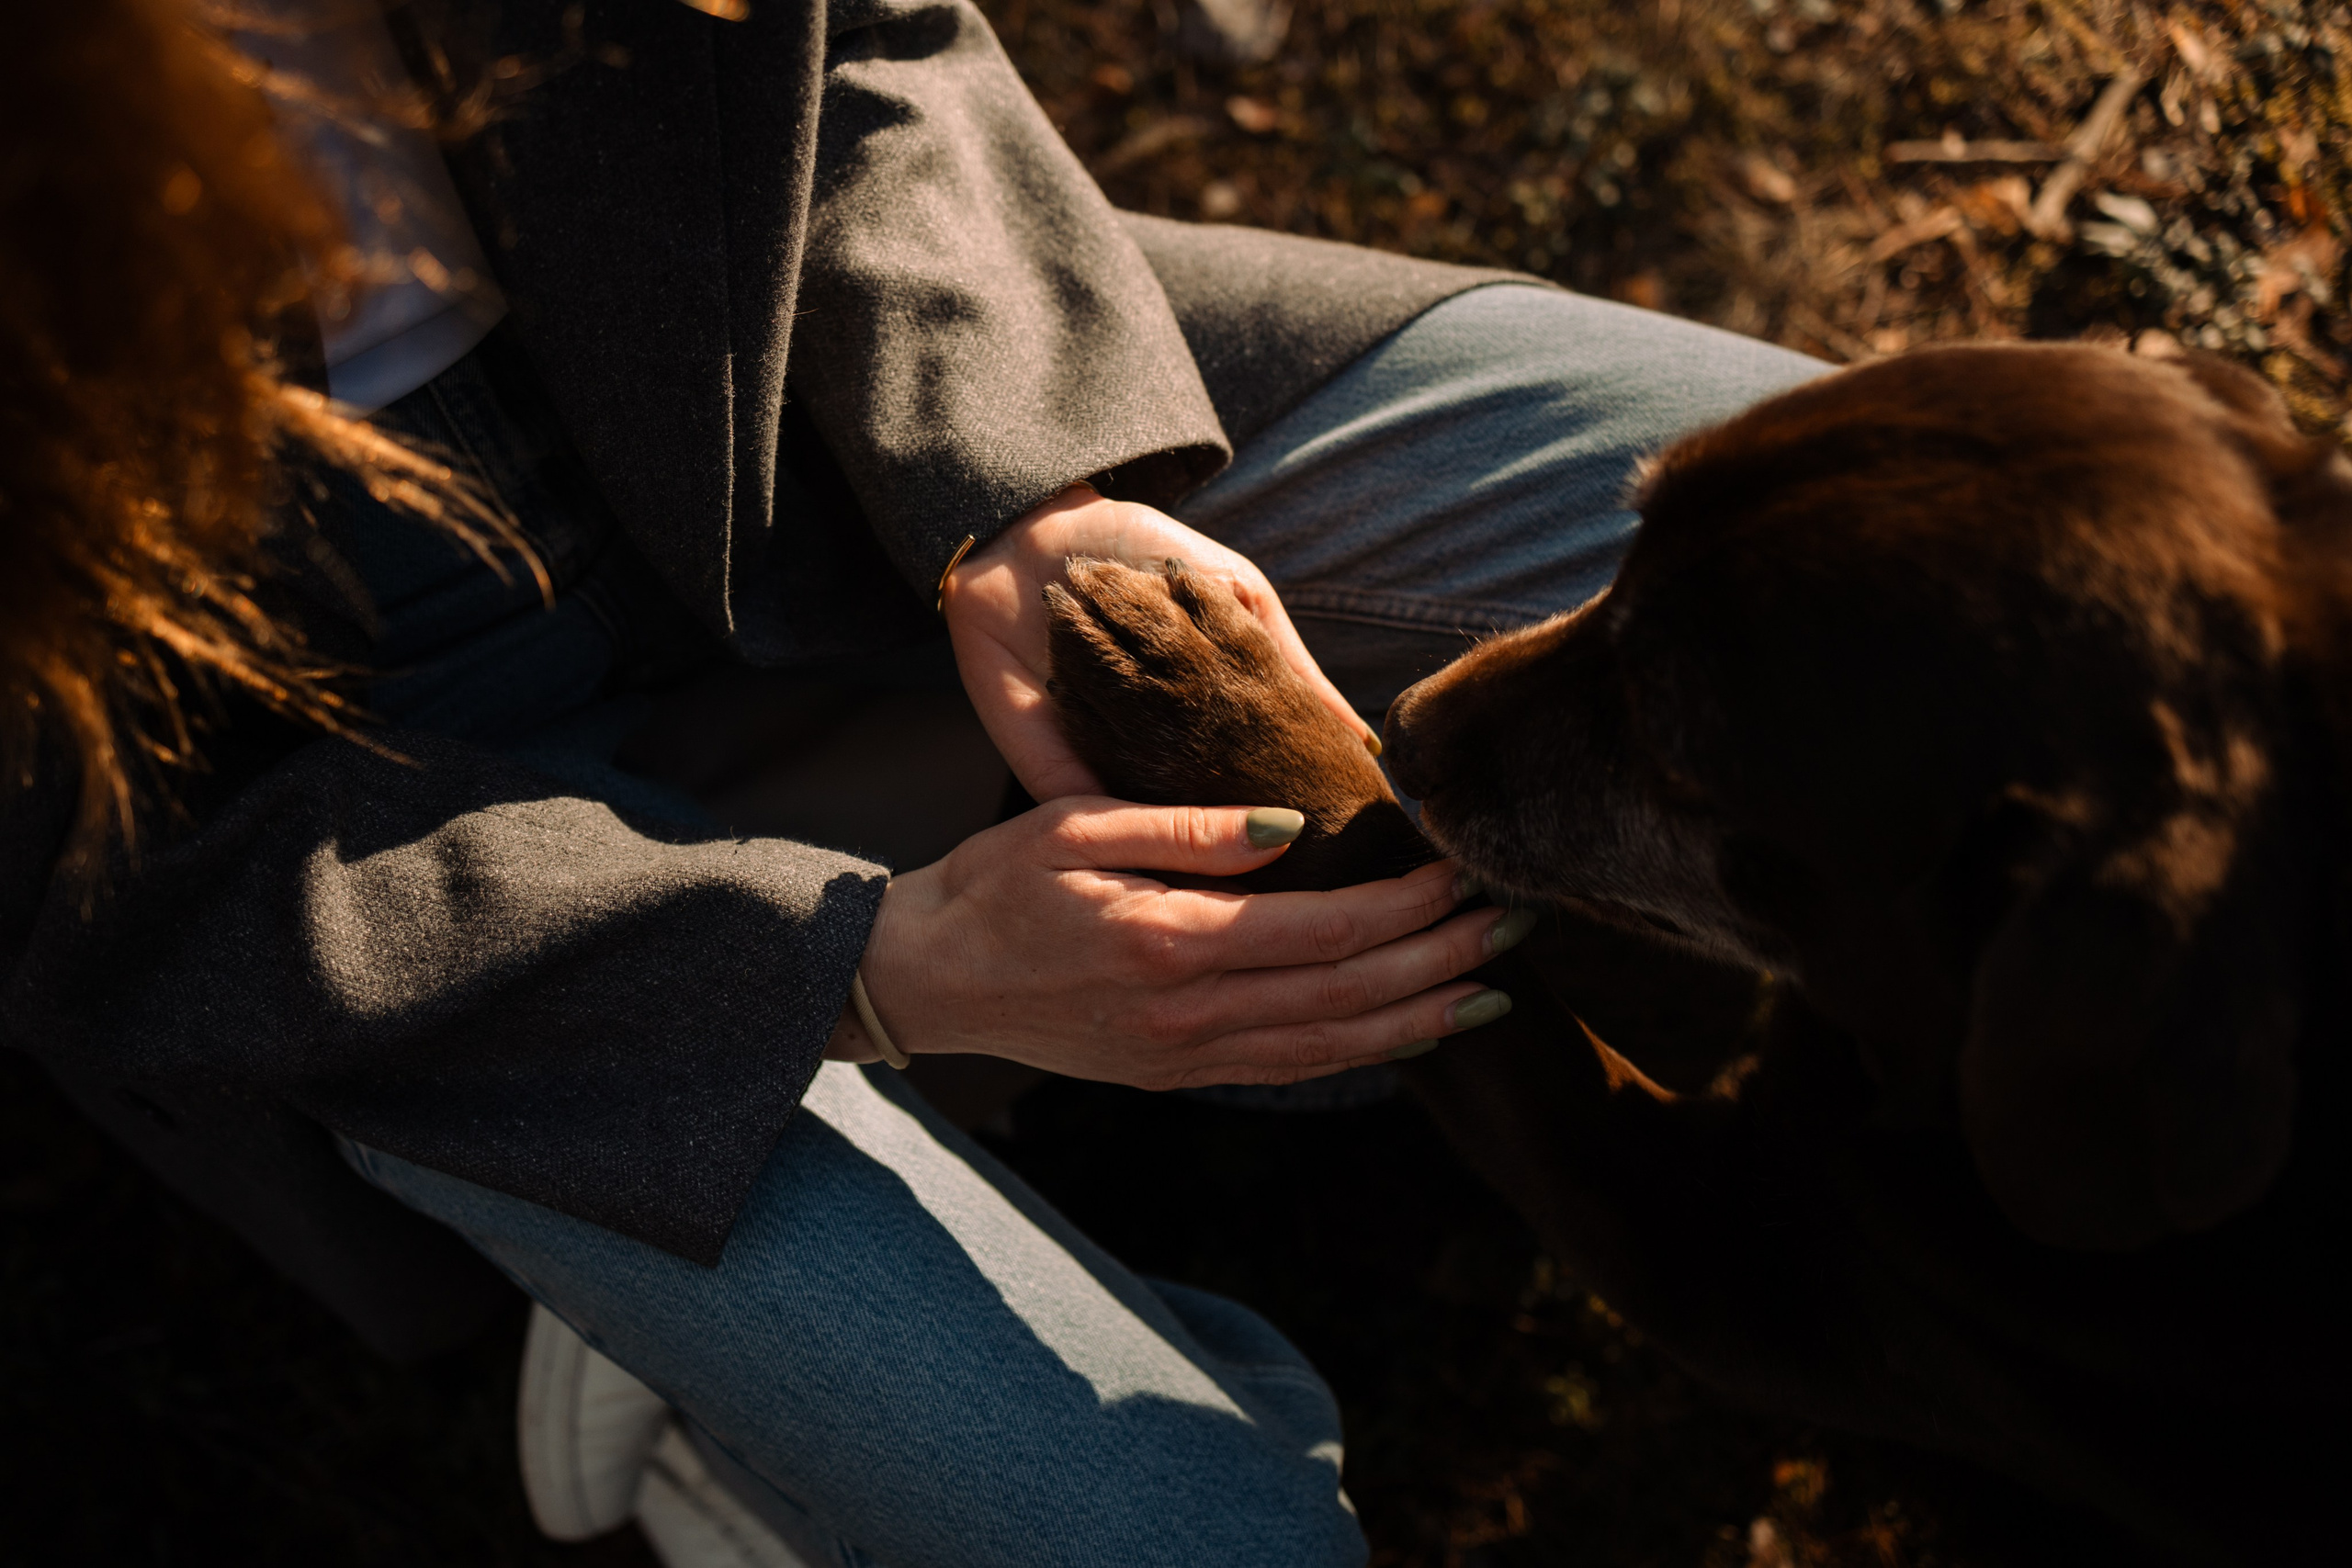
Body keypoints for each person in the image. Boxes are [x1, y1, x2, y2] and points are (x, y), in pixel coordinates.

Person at [0, 0, 1822, 1562]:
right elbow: (99, 878)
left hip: (788, 397)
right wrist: (843, 969)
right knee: (1183, 1540)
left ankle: (868, 1094)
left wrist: (1018, 473)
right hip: (367, 817)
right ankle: (723, 1363)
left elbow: (848, 41)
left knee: (1846, 552)